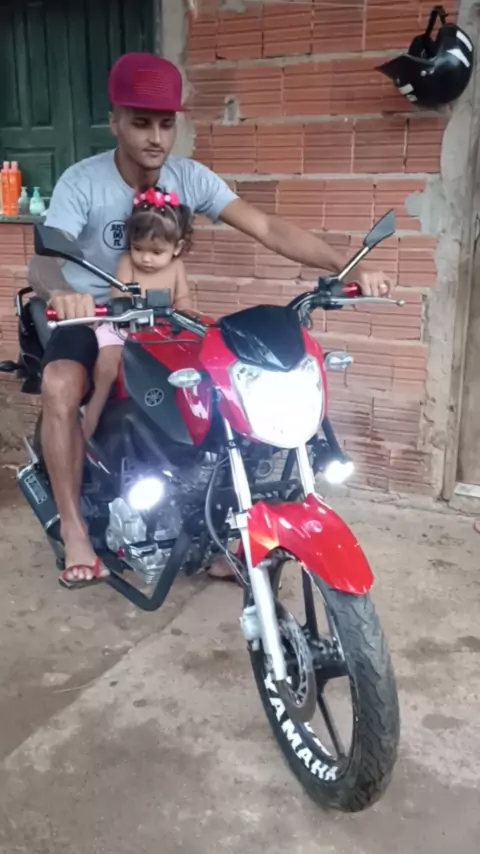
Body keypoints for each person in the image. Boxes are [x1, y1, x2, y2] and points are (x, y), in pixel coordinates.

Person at [28, 52, 392, 588]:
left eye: (166, 124)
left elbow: (265, 227)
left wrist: (346, 266)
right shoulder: (82, 182)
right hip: (95, 314)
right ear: (114, 122)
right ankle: (75, 528)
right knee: (61, 384)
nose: (156, 137)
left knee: (231, 383)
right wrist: (62, 293)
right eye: (141, 123)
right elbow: (43, 259)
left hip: (165, 316)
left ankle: (222, 527)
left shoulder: (188, 176)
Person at [82, 186, 193, 442]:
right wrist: (131, 308)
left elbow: (182, 299)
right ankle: (91, 415)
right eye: (138, 248)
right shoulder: (126, 262)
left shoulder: (177, 267)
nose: (146, 259)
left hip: (159, 330)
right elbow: (119, 297)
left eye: (156, 252)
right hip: (123, 326)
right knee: (109, 362)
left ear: (177, 247)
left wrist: (187, 313)